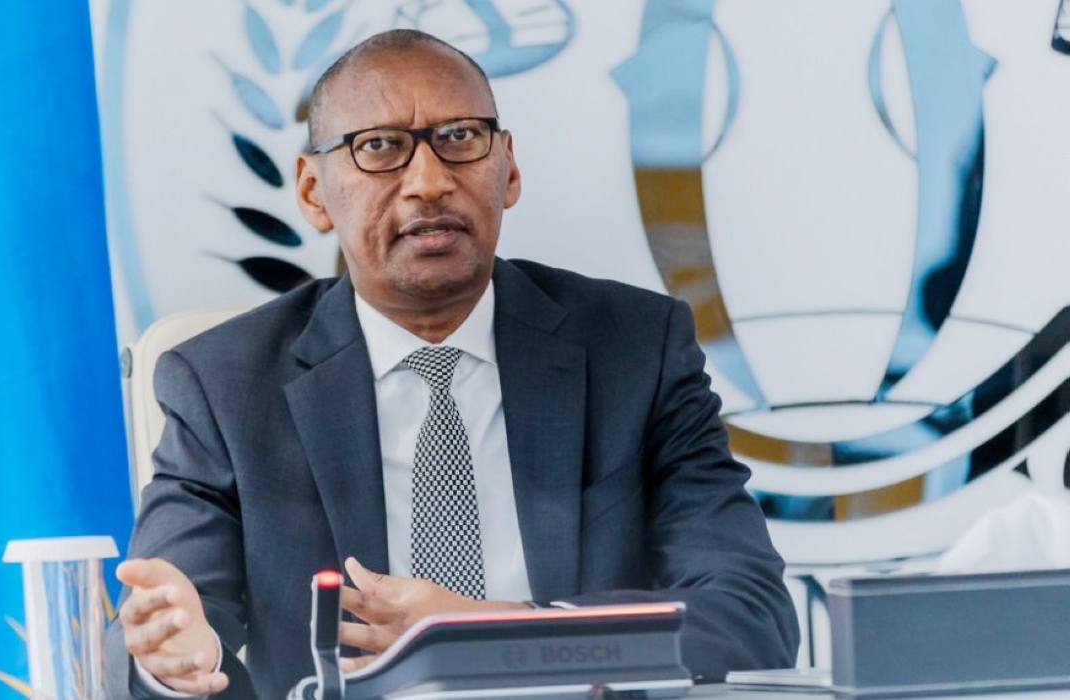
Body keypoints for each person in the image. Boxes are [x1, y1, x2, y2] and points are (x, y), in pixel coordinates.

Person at [105, 28, 799, 700]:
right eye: (379, 148)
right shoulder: (226, 385)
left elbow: (751, 615)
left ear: (509, 168)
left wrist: (498, 630)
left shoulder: (636, 351)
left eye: (459, 138)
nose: (429, 181)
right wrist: (169, 659)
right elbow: (163, 620)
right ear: (314, 192)